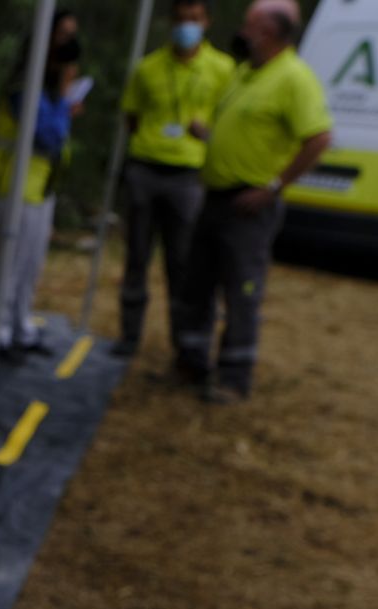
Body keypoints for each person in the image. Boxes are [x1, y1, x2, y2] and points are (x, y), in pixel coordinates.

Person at [172, 0, 332, 402]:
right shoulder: (245, 72)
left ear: (269, 33)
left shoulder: (294, 78)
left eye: (249, 25)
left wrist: (274, 187)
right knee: (197, 283)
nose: (242, 31)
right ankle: (190, 363)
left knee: (241, 289)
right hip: (215, 196)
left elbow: (319, 139)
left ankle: (233, 376)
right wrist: (209, 137)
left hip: (249, 206)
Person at [112, 0, 234, 357]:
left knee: (182, 261)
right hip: (146, 169)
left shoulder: (223, 69)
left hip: (188, 177)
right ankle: (129, 336)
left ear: (206, 22)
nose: (186, 26)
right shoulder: (147, 67)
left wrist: (207, 134)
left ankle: (185, 341)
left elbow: (229, 123)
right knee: (136, 257)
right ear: (170, 22)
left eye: (193, 20)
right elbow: (131, 117)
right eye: (181, 20)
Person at [0, 10, 83, 355]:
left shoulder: (49, 89)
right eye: (64, 36)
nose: (70, 46)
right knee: (12, 262)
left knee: (31, 262)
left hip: (40, 187)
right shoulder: (25, 86)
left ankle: (21, 325)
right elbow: (47, 135)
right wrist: (67, 101)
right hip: (14, 185)